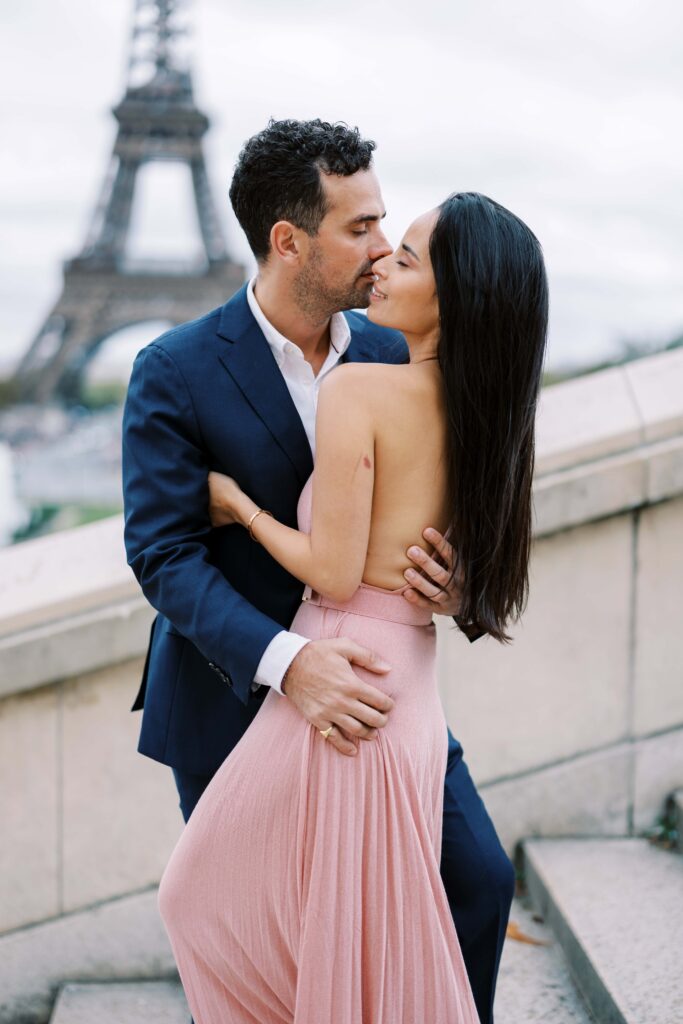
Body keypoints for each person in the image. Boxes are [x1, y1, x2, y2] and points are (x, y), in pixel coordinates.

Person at [122, 119, 523, 1024]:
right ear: (288, 239)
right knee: (260, 927)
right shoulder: (173, 370)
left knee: (475, 882)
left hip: (376, 686)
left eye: (387, 226)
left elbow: (453, 512)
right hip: (235, 692)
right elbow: (163, 553)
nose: (382, 249)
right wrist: (286, 663)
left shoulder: (394, 350)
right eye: (360, 227)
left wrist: (456, 589)